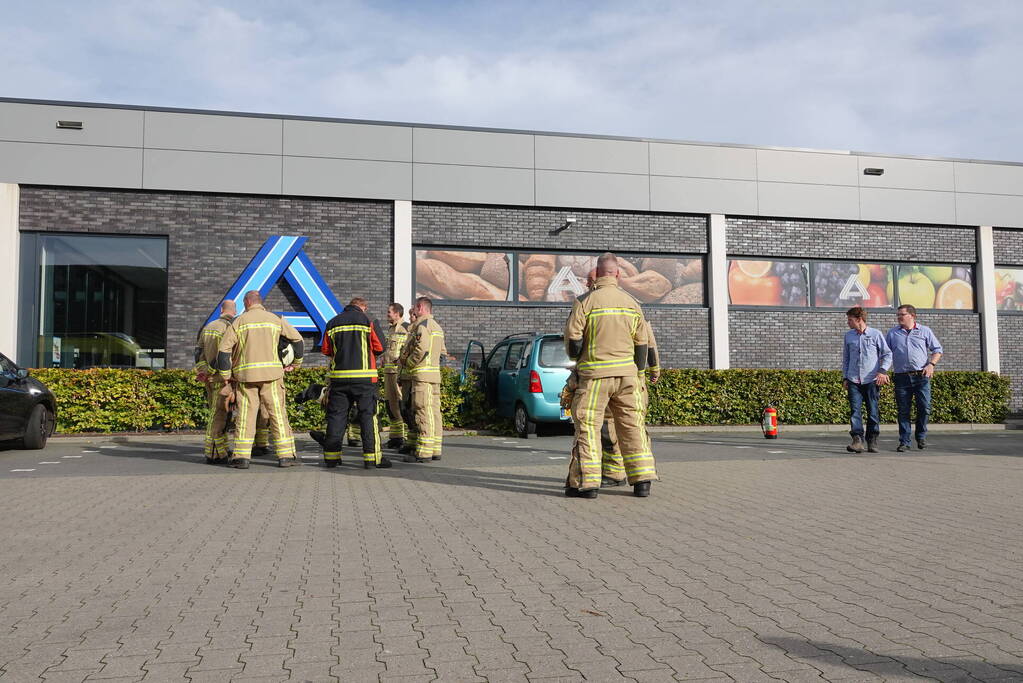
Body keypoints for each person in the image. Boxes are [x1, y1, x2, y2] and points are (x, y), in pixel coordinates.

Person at [563, 252, 656, 499]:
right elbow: (642, 346)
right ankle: (643, 481)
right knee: (632, 427)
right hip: (628, 378)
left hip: (595, 377)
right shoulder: (632, 303)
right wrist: (636, 372)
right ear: (617, 273)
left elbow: (573, 342)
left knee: (588, 428)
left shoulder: (585, 302)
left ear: (597, 273)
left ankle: (588, 484)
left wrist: (579, 359)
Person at [216, 290, 303, 468]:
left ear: (247, 302)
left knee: (246, 416)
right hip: (272, 376)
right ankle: (286, 456)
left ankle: (241, 458)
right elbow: (298, 340)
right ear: (259, 301)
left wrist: (225, 376)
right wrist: (296, 363)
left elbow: (223, 351)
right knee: (277, 413)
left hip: (246, 377)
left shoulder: (238, 321)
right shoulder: (275, 319)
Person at [320, 297, 392, 469]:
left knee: (336, 417)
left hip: (339, 379)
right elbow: (381, 347)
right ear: (362, 307)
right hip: (365, 379)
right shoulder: (369, 320)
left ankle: (331, 458)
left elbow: (326, 350)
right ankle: (372, 459)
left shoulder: (332, 323)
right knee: (368, 417)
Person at [886, 304, 944, 452]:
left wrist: (931, 364)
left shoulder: (925, 331)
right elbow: (886, 354)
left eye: (902, 315)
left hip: (921, 377)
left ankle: (921, 436)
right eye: (898, 315)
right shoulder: (893, 334)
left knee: (924, 408)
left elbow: (937, 350)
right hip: (901, 377)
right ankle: (904, 441)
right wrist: (882, 370)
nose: (899, 317)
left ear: (912, 316)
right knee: (903, 410)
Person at [842, 306, 892, 454]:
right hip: (853, 380)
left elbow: (887, 354)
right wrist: (845, 377)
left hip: (871, 380)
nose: (848, 323)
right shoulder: (848, 336)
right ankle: (857, 440)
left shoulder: (875, 334)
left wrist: (882, 371)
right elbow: (846, 358)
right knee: (855, 411)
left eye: (850, 320)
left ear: (859, 319)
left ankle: (872, 440)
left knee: (873, 411)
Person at [403, 297, 446, 463]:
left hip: (422, 377)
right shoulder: (437, 327)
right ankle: (435, 449)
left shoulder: (423, 326)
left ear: (420, 307)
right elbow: (441, 353)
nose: (413, 310)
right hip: (434, 376)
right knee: (434, 412)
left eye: (414, 307)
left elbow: (421, 349)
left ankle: (423, 452)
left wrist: (408, 363)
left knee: (422, 411)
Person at [194, 299, 235, 464]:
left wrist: (203, 371)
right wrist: (212, 371)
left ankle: (221, 449)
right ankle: (213, 454)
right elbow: (223, 355)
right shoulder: (228, 328)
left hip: (209, 380)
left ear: (221, 310)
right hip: (221, 379)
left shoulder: (208, 327)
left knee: (216, 413)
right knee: (219, 416)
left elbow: (198, 352)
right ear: (234, 312)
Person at [381, 303, 410, 449]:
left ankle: (405, 437)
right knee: (390, 405)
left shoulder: (406, 327)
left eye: (389, 312)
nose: (387, 314)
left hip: (398, 374)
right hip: (388, 373)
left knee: (400, 404)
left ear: (397, 313)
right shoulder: (391, 329)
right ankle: (396, 437)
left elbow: (407, 350)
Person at [397, 307, 419, 457]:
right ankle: (410, 442)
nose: (410, 318)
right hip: (405, 378)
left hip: (413, 378)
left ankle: (416, 443)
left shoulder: (418, 332)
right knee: (405, 410)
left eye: (412, 316)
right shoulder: (411, 333)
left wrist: (406, 360)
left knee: (414, 411)